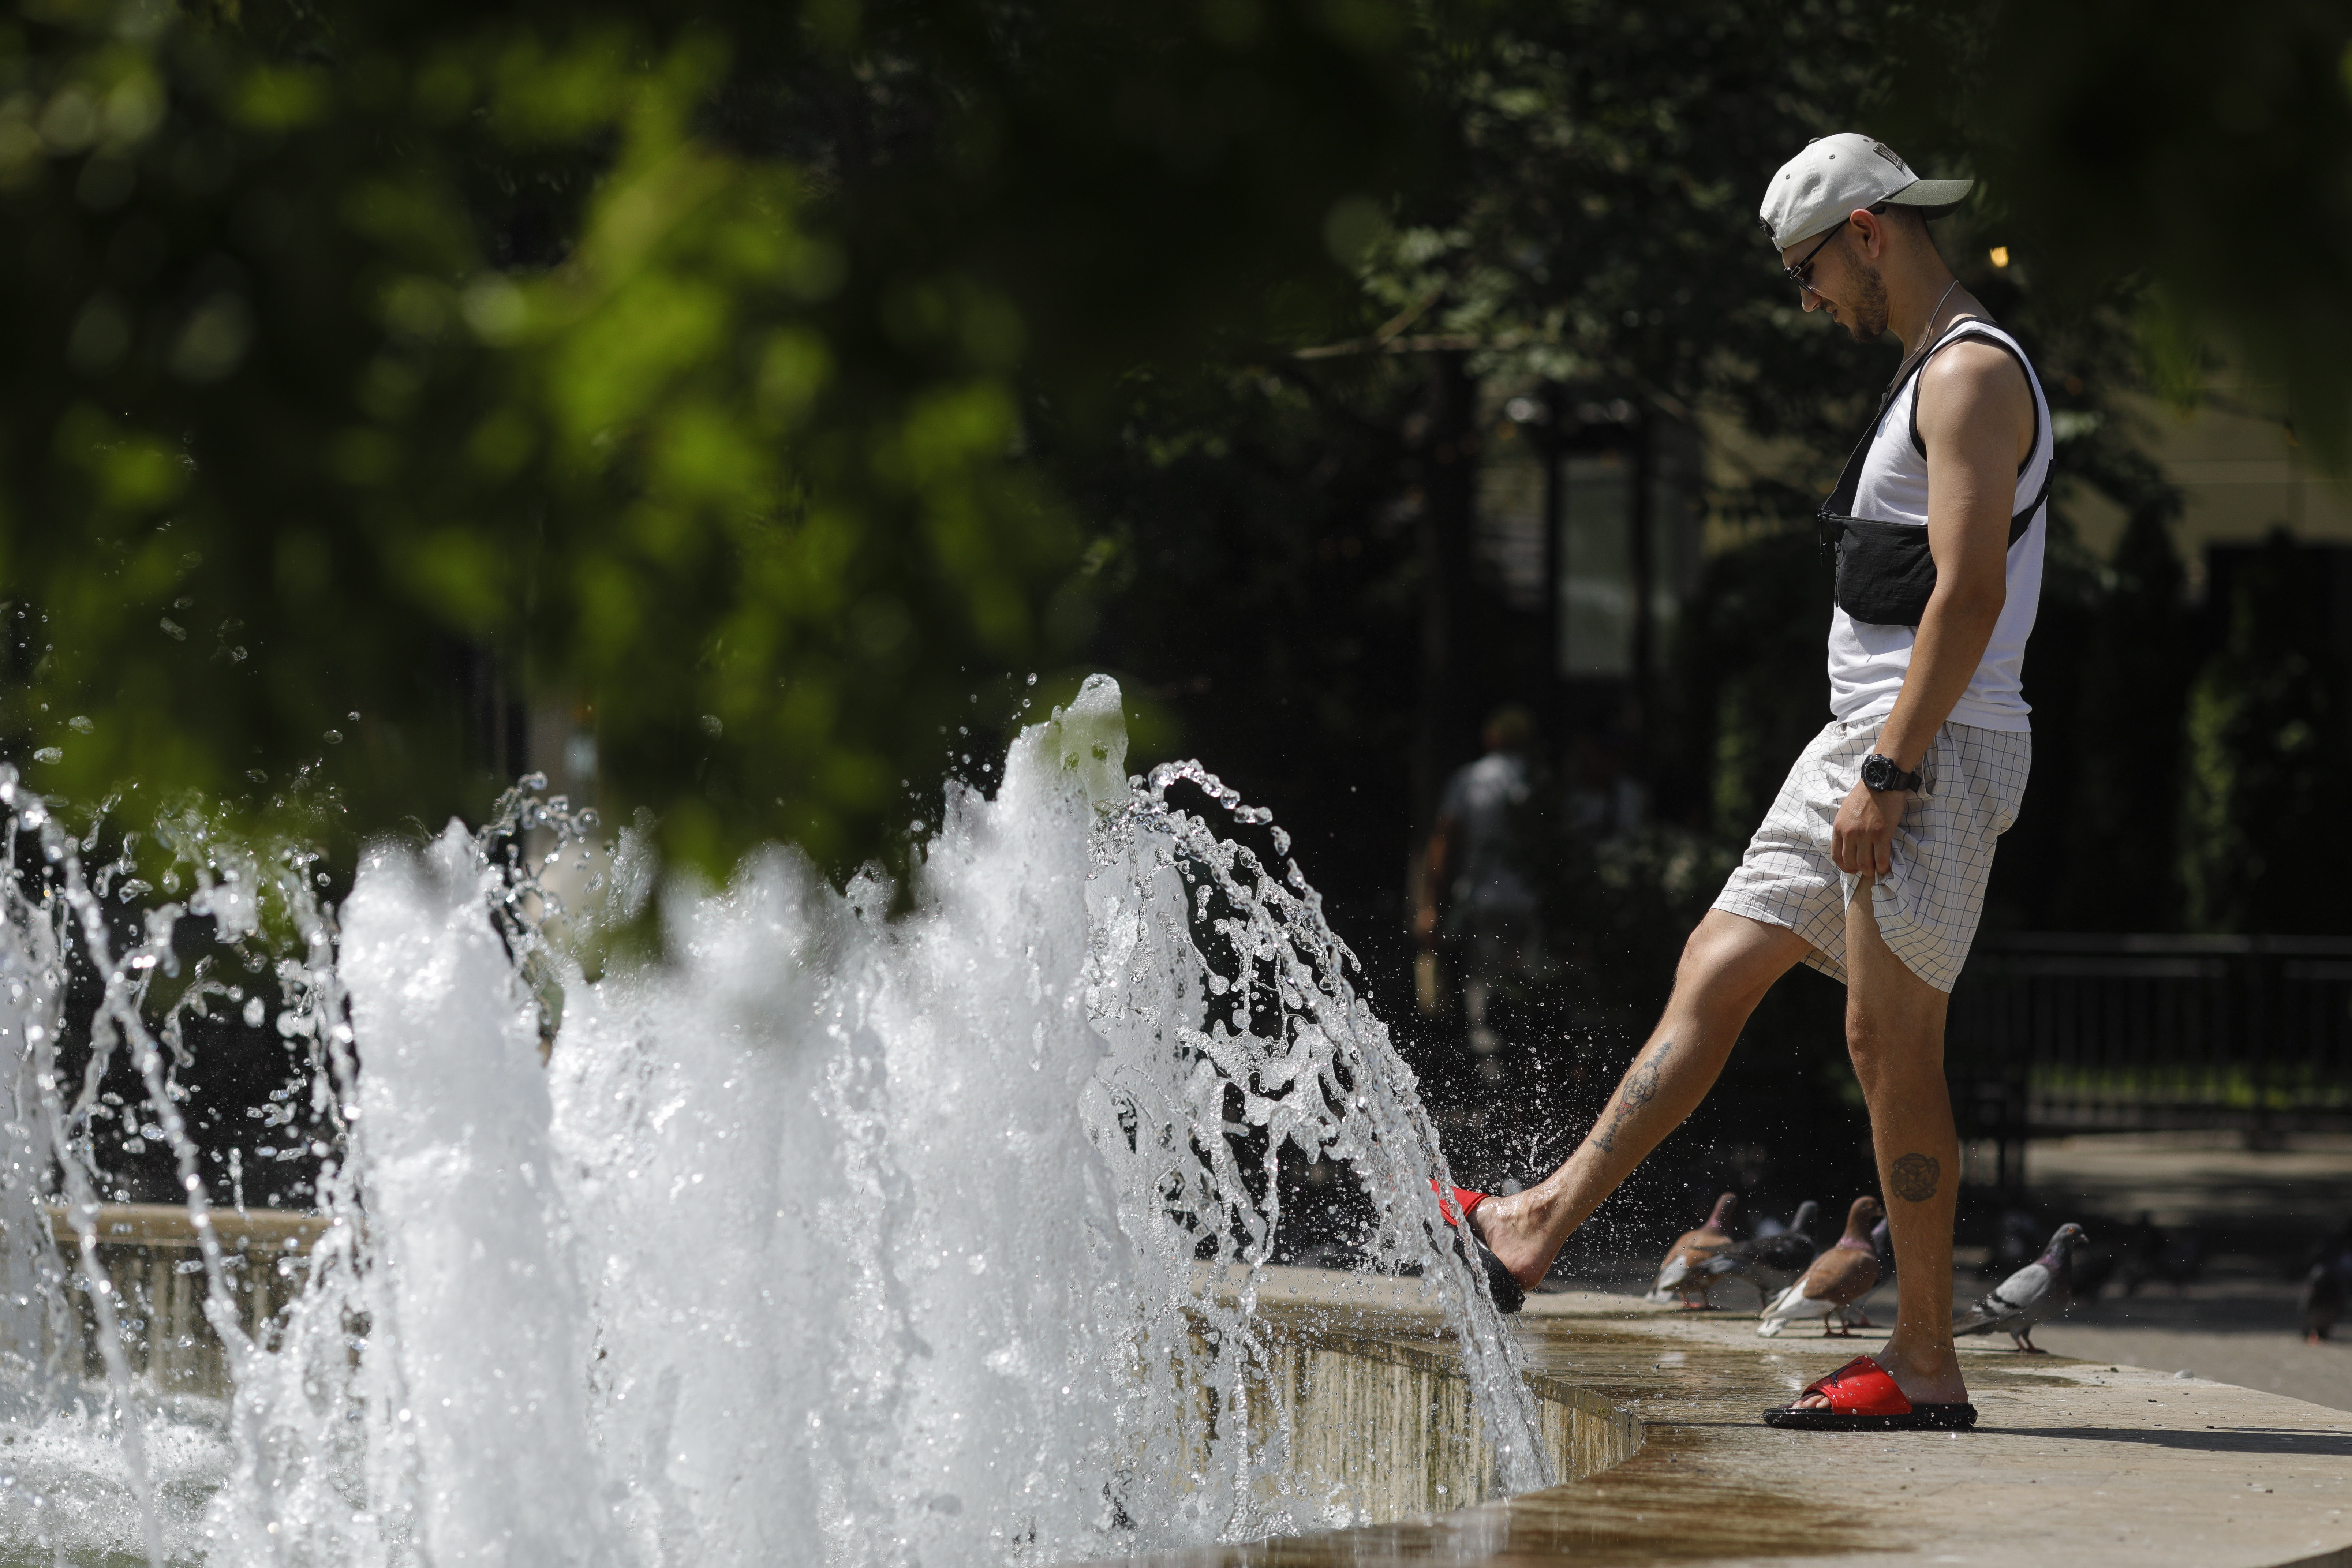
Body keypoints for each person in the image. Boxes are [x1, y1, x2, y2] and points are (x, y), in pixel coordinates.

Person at [1462, 135, 2050, 1429]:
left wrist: (1890, 769)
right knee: (1715, 966)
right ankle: (1533, 1226)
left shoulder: (1966, 376)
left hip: (1927, 744)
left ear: (1866, 234)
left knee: (1886, 1044)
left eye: (1806, 273)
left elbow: (1969, 594)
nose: (1806, 303)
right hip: (1860, 736)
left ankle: (1922, 1363)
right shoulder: (1921, 370)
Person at [1415, 707, 1543, 1067]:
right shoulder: (1538, 783)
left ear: (1490, 739)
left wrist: (1430, 904)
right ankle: (1529, 1071)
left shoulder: (1469, 781)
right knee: (1527, 991)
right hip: (1532, 903)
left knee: (1482, 992)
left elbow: (1444, 842)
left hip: (1485, 899)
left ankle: (1493, 1073)